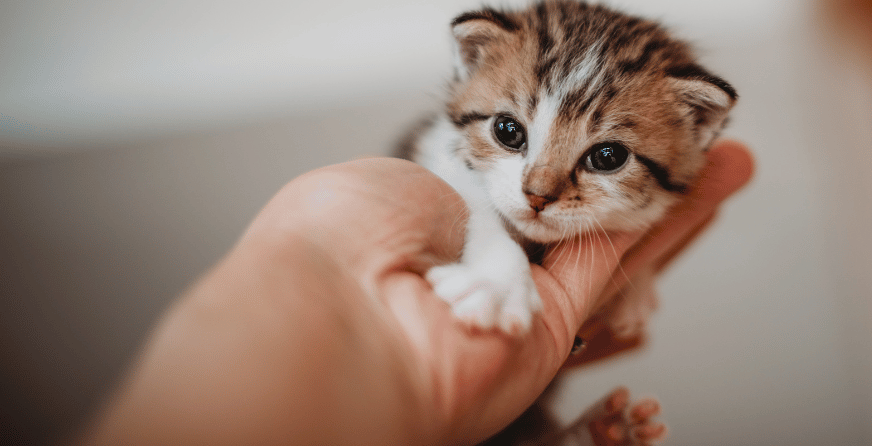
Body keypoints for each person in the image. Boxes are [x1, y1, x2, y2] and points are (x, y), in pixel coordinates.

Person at [76, 140, 753, 446]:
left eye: (604, 154)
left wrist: (635, 277)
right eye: (512, 133)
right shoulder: (441, 169)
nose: (538, 189)